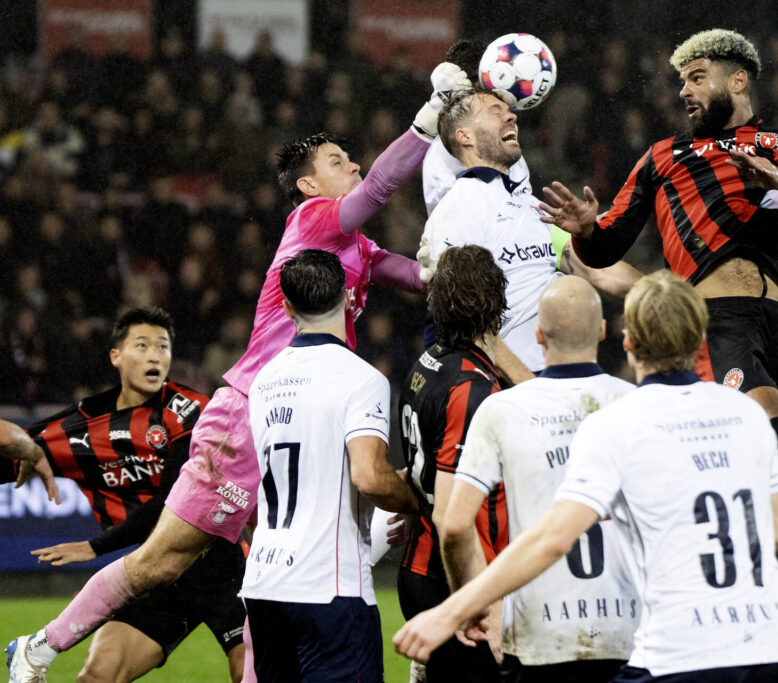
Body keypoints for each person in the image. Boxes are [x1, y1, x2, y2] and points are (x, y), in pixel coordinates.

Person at [5, 61, 471, 683]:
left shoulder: (356, 248)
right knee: (161, 563)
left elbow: (416, 278)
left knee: (286, 558)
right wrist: (428, 119)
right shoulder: (312, 220)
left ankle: (417, 642)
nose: (355, 165)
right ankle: (38, 647)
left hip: (306, 406)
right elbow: (379, 189)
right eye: (338, 161)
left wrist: (457, 252)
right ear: (308, 185)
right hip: (250, 411)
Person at [537, 29, 778, 680]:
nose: (684, 91)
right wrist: (585, 230)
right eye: (681, 81)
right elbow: (606, 243)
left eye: (697, 77)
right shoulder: (664, 157)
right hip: (718, 322)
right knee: (769, 428)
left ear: (738, 79)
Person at [394, 270, 778, 683]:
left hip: (682, 652)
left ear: (627, 340)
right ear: (700, 336)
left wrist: (450, 611)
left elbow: (553, 538)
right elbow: (777, 534)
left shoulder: (618, 420)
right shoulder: (746, 414)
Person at [4, 307, 247, 683]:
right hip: (155, 580)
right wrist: (25, 449)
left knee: (250, 671)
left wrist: (94, 547)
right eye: (142, 345)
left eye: (163, 346)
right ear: (115, 356)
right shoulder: (79, 428)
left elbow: (172, 503)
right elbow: (15, 447)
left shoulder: (190, 411)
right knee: (98, 675)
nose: (155, 356)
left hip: (224, 571)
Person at [443, 275, 638, 682]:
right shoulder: (636, 405)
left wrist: (473, 602)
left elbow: (455, 525)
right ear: (602, 331)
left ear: (538, 335)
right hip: (631, 635)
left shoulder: (501, 410)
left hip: (539, 638)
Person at [243, 249, 418, 681]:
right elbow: (369, 476)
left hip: (265, 584)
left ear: (287, 308)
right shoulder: (361, 379)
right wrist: (420, 498)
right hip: (328, 589)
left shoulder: (263, 381)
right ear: (349, 298)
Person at [420, 89, 641, 380]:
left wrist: (672, 296)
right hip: (513, 381)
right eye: (495, 112)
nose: (511, 116)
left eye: (509, 111)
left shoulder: (531, 207)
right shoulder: (456, 213)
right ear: (465, 137)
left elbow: (597, 272)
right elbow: (469, 324)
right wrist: (530, 388)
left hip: (563, 373)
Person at [397, 245, 510, 682]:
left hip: (422, 567)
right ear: (495, 302)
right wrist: (478, 605)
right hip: (451, 579)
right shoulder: (471, 387)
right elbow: (451, 516)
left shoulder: (426, 365)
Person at [422, 39, 530, 217]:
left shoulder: (504, 140)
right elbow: (453, 225)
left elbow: (524, 212)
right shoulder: (443, 150)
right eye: (491, 88)